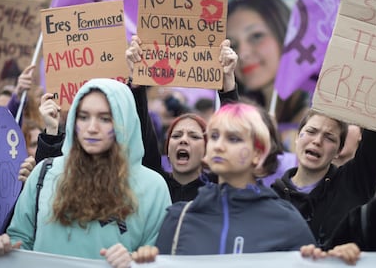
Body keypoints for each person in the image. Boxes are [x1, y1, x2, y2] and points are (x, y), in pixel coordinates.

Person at [0, 78, 171, 266]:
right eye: (83, 117)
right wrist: (2, 249)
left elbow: (161, 258)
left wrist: (134, 261)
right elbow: (20, 241)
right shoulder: (45, 173)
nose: (91, 128)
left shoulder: (154, 188)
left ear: (125, 122)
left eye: (105, 118)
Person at [34, 36, 239, 204]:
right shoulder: (153, 183)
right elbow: (45, 187)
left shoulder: (218, 189)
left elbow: (233, 140)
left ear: (207, 150)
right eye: (176, 135)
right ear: (167, 148)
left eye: (194, 136)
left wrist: (228, 87)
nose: (183, 139)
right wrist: (137, 82)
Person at [109, 103, 315, 266]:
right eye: (214, 136)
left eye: (233, 138)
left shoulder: (287, 222)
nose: (219, 145)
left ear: (258, 153)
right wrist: (141, 261)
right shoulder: (178, 218)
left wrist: (340, 258)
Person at [271, 109, 376, 247]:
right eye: (311, 131)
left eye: (329, 138)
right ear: (297, 137)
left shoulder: (353, 183)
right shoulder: (271, 198)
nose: (317, 141)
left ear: (338, 151)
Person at [227, 0, 310, 151]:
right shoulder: (244, 114)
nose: (242, 53)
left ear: (286, 36)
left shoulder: (314, 115)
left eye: (256, 36)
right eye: (233, 45)